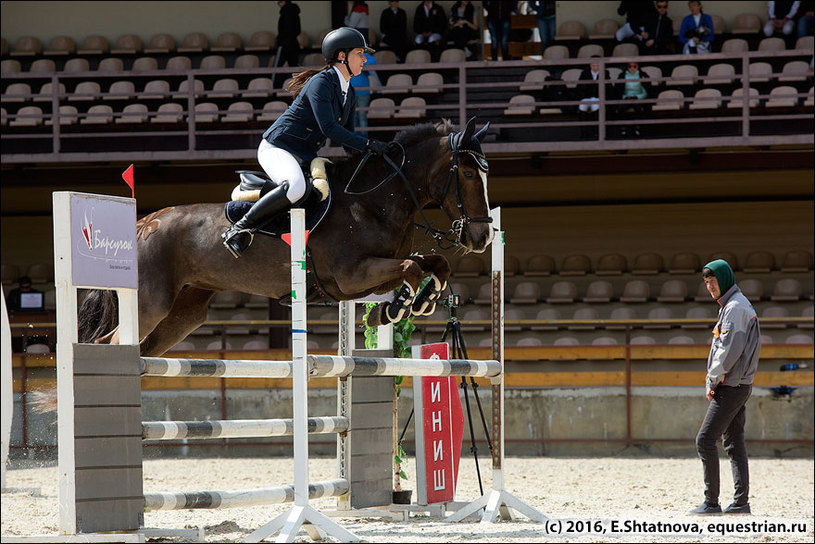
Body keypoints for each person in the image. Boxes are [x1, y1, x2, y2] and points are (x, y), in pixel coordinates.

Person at [222, 28, 389, 258]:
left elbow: (349, 139)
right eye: (359, 53)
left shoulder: (349, 93)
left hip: (302, 154)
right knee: (296, 187)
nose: (364, 59)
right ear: (342, 56)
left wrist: (373, 160)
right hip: (277, 147)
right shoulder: (322, 82)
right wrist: (370, 144)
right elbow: (329, 128)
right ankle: (239, 228)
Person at [689, 259, 761, 516]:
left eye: (713, 281)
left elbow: (728, 353)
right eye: (706, 282)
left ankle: (711, 502)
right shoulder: (733, 305)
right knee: (733, 442)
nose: (709, 286)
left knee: (705, 440)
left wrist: (712, 380)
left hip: (731, 385)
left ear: (725, 279)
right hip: (738, 384)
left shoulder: (734, 308)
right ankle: (741, 502)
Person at [577, 57, 612, 139]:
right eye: (593, 65)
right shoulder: (584, 73)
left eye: (597, 65)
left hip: (598, 98)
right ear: (590, 65)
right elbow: (579, 87)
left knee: (596, 107)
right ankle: (584, 133)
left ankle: (597, 133)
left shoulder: (605, 73)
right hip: (587, 98)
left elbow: (608, 88)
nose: (595, 67)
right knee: (582, 107)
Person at [350, 50, 381, 137]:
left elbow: (373, 62)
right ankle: (354, 138)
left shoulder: (364, 55)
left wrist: (361, 61)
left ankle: (363, 138)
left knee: (362, 115)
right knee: (353, 116)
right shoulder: (348, 55)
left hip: (363, 92)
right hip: (351, 92)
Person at [273, 0, 302, 88]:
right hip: (293, 44)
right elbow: (297, 30)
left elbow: (284, 30)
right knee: (294, 68)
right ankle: (298, 87)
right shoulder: (295, 13)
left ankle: (275, 87)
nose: (279, 5)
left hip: (284, 44)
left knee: (277, 68)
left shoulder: (285, 13)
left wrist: (280, 41)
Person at [617, 60, 649, 138]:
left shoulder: (642, 75)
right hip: (626, 97)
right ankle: (623, 128)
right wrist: (625, 97)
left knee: (637, 107)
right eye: (630, 66)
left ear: (638, 67)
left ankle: (638, 128)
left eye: (634, 66)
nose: (632, 68)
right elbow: (618, 91)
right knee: (621, 108)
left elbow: (646, 91)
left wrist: (638, 97)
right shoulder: (622, 75)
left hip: (638, 97)